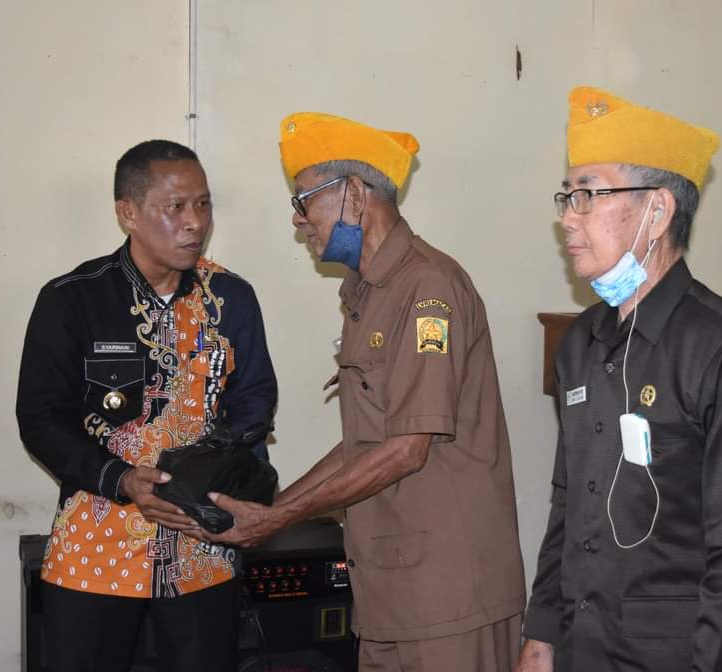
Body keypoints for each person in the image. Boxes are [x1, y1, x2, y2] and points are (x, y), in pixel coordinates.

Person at [206, 112, 526, 671]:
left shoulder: (428, 287)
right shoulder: (367, 293)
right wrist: (269, 511)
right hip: (389, 597)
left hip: (449, 597)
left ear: (354, 195)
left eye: (304, 200)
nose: (298, 219)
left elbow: (407, 449)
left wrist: (280, 519)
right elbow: (366, 442)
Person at [517, 87, 722, 671]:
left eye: (588, 194)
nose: (567, 217)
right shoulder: (579, 344)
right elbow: (567, 503)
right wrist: (542, 633)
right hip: (584, 648)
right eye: (567, 195)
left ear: (658, 212)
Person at [16, 140, 278, 672]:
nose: (194, 222)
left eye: (203, 204)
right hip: (97, 548)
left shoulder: (231, 299)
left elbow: (255, 401)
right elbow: (41, 419)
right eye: (175, 206)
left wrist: (208, 477)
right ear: (128, 213)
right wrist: (121, 479)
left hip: (202, 547)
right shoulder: (72, 299)